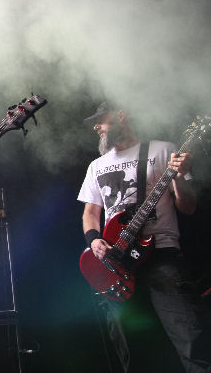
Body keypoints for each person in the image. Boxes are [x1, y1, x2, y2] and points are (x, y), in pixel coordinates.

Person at [77, 101, 211, 372]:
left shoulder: (163, 150)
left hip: (162, 256)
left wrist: (179, 177)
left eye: (101, 120)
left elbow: (188, 207)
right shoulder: (96, 166)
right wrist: (94, 240)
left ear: (121, 116)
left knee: (190, 341)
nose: (96, 127)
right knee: (132, 351)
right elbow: (90, 213)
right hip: (119, 264)